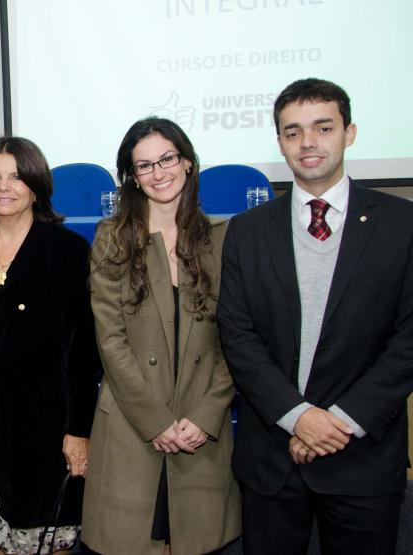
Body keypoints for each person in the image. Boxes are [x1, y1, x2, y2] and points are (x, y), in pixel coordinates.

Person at [218, 78, 413, 554]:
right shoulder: (247, 231)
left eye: (323, 127)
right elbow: (237, 335)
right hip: (272, 460)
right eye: (292, 132)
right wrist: (297, 418)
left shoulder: (404, 223)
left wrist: (335, 422)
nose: (308, 142)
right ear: (280, 143)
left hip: (362, 455)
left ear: (349, 133)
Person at [81, 118, 240, 555]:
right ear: (132, 177)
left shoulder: (223, 240)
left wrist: (206, 416)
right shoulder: (111, 239)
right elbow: (109, 341)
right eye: (144, 165)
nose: (159, 172)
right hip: (135, 425)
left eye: (167, 158)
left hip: (199, 429)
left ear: (187, 162)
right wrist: (155, 422)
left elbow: (238, 343)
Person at [0, 136, 101, 555]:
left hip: (44, 425)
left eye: (16, 176)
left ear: (35, 184)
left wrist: (78, 430)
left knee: (47, 538)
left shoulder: (66, 250)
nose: (4, 186)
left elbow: (82, 350)